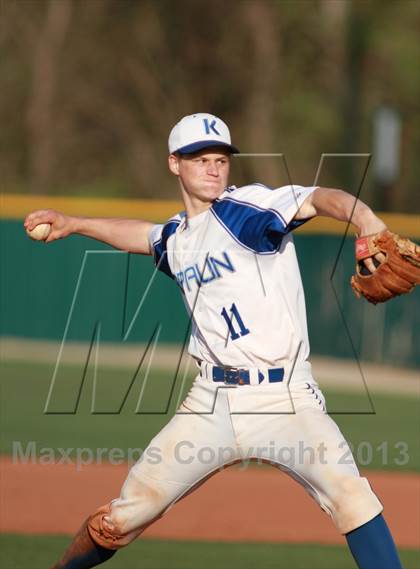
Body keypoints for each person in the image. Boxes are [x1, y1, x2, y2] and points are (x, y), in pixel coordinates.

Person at [25, 113, 402, 569]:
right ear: (174, 164)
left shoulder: (248, 209)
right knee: (121, 518)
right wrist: (74, 223)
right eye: (200, 158)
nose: (213, 168)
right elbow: (142, 237)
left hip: (283, 398)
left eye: (220, 158)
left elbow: (320, 198)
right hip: (211, 402)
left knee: (352, 499)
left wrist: (366, 220)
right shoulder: (178, 237)